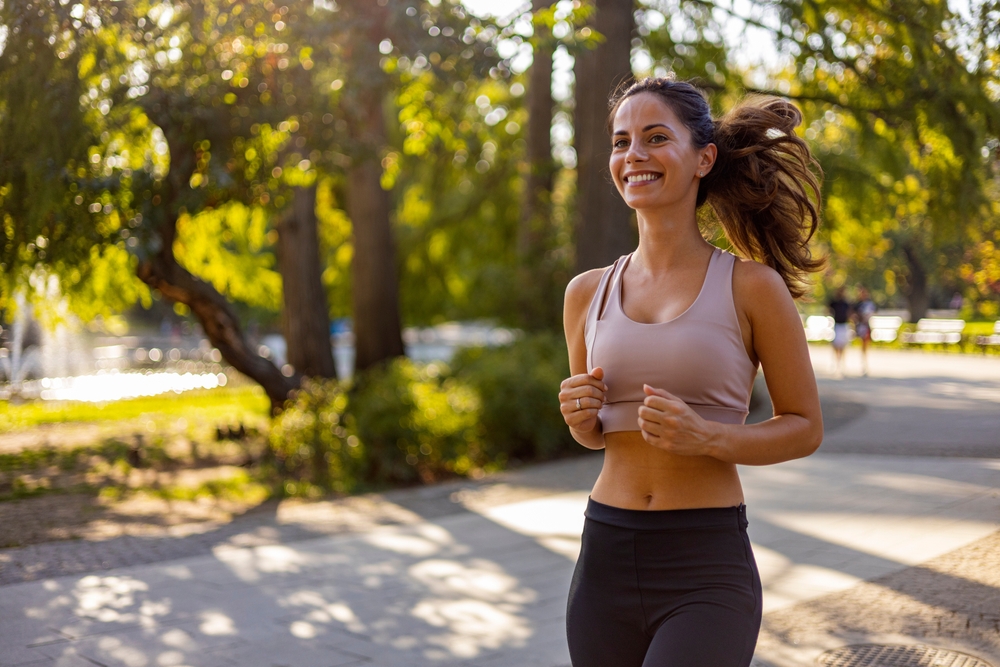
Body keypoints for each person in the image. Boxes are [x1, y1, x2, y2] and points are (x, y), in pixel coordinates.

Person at [558, 78, 825, 667]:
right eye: (622, 141)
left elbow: (805, 425)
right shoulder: (585, 294)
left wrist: (713, 437)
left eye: (656, 138)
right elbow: (595, 433)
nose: (634, 155)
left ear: (704, 157)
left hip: (705, 562)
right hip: (605, 556)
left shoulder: (753, 287)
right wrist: (580, 418)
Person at [828, 286, 851, 376]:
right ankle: (836, 362)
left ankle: (842, 363)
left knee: (843, 345)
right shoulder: (834, 302)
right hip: (837, 325)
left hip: (844, 325)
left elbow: (850, 313)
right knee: (836, 344)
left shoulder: (846, 303)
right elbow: (828, 310)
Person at [853, 286, 876, 376]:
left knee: (866, 344)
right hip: (860, 326)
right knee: (862, 344)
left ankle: (865, 363)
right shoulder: (857, 304)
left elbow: (873, 313)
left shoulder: (869, 303)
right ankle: (863, 363)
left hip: (866, 325)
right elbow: (853, 314)